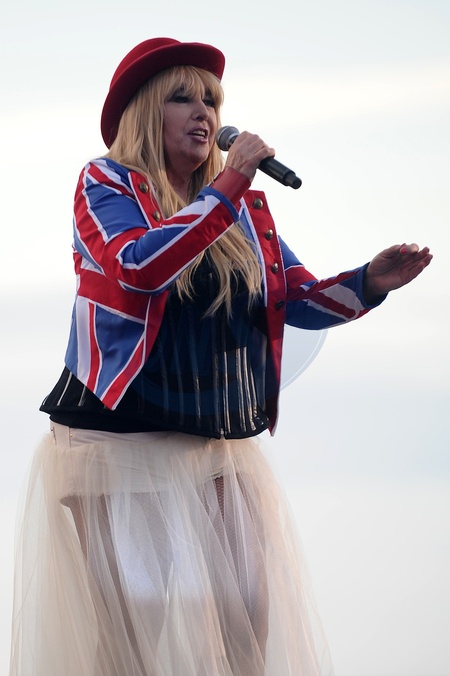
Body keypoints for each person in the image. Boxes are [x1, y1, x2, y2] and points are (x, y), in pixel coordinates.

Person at [10, 37, 432, 676]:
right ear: (145, 113)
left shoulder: (238, 206)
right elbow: (139, 267)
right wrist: (231, 184)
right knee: (135, 626)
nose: (203, 112)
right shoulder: (106, 183)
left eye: (211, 100)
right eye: (183, 98)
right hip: (117, 433)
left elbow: (292, 297)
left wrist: (369, 283)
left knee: (248, 614)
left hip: (213, 433)